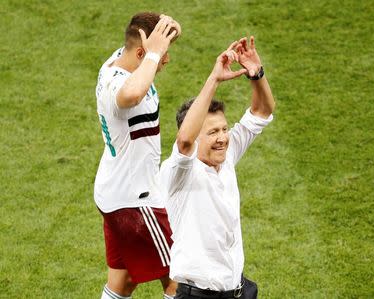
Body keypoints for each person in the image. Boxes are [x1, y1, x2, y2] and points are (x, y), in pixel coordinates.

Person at [160, 36, 275, 299]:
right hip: (198, 295)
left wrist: (257, 74)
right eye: (212, 132)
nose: (223, 137)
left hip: (238, 290)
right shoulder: (179, 172)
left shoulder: (227, 153)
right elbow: (185, 140)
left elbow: (262, 111)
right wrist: (214, 78)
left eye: (224, 128)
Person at [94, 12, 181, 299]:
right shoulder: (118, 87)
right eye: (163, 54)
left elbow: (140, 32)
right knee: (180, 277)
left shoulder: (119, 59)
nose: (166, 60)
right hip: (135, 201)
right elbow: (130, 95)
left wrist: (166, 30)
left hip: (115, 193)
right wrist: (155, 55)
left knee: (125, 280)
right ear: (143, 52)